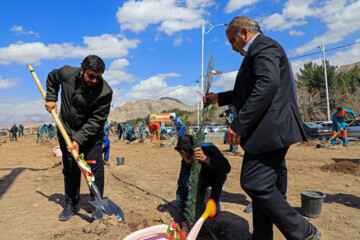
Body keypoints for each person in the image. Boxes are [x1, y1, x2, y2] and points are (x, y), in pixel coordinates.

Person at [203, 16, 321, 239]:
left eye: (232, 41)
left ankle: (304, 232)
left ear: (244, 33)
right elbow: (249, 90)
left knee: (254, 182)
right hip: (268, 131)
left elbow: (267, 84)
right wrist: (219, 97)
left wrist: (239, 124)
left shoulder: (263, 45)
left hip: (271, 129)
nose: (232, 46)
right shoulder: (257, 50)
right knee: (264, 187)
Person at [45, 55, 112, 221]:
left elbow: (96, 120)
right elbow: (52, 77)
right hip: (66, 130)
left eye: (99, 76)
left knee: (94, 170)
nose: (95, 80)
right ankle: (70, 204)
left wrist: (79, 140)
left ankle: (97, 203)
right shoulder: (67, 73)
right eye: (91, 76)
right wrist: (51, 97)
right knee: (70, 170)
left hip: (91, 136)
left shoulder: (105, 92)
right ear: (82, 71)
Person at [175, 134, 231, 236]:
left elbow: (227, 167)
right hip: (201, 180)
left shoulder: (209, 148)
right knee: (196, 210)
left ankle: (214, 201)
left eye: (188, 157)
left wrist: (206, 159)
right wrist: (184, 220)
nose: (187, 161)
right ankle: (201, 196)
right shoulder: (186, 161)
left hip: (215, 176)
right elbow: (181, 187)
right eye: (184, 158)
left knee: (219, 174)